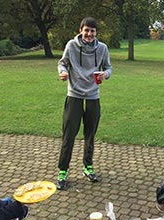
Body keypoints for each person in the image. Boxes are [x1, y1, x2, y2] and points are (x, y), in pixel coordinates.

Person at [56, 17, 112, 190]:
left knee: (90, 135)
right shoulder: (71, 46)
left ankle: (88, 167)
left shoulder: (102, 48)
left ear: (96, 33)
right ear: (80, 30)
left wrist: (106, 75)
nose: (89, 34)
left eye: (92, 31)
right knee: (69, 135)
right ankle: (63, 171)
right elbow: (62, 63)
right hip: (75, 96)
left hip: (93, 97)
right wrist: (63, 72)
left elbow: (108, 67)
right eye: (86, 30)